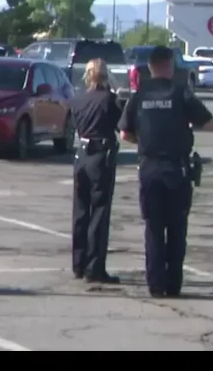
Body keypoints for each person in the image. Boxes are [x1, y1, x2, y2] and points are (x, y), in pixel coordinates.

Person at [118, 46, 213, 298]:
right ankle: (173, 285)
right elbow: (209, 123)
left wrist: (148, 140)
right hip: (177, 169)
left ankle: (155, 283)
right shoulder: (180, 92)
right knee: (176, 227)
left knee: (153, 227)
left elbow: (125, 133)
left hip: (149, 168)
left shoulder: (139, 95)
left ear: (150, 67)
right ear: (169, 65)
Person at [69, 58, 123, 284]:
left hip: (81, 154)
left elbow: (75, 123)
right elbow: (121, 126)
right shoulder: (110, 100)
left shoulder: (78, 99)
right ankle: (95, 267)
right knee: (99, 212)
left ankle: (79, 264)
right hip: (101, 156)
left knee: (80, 211)